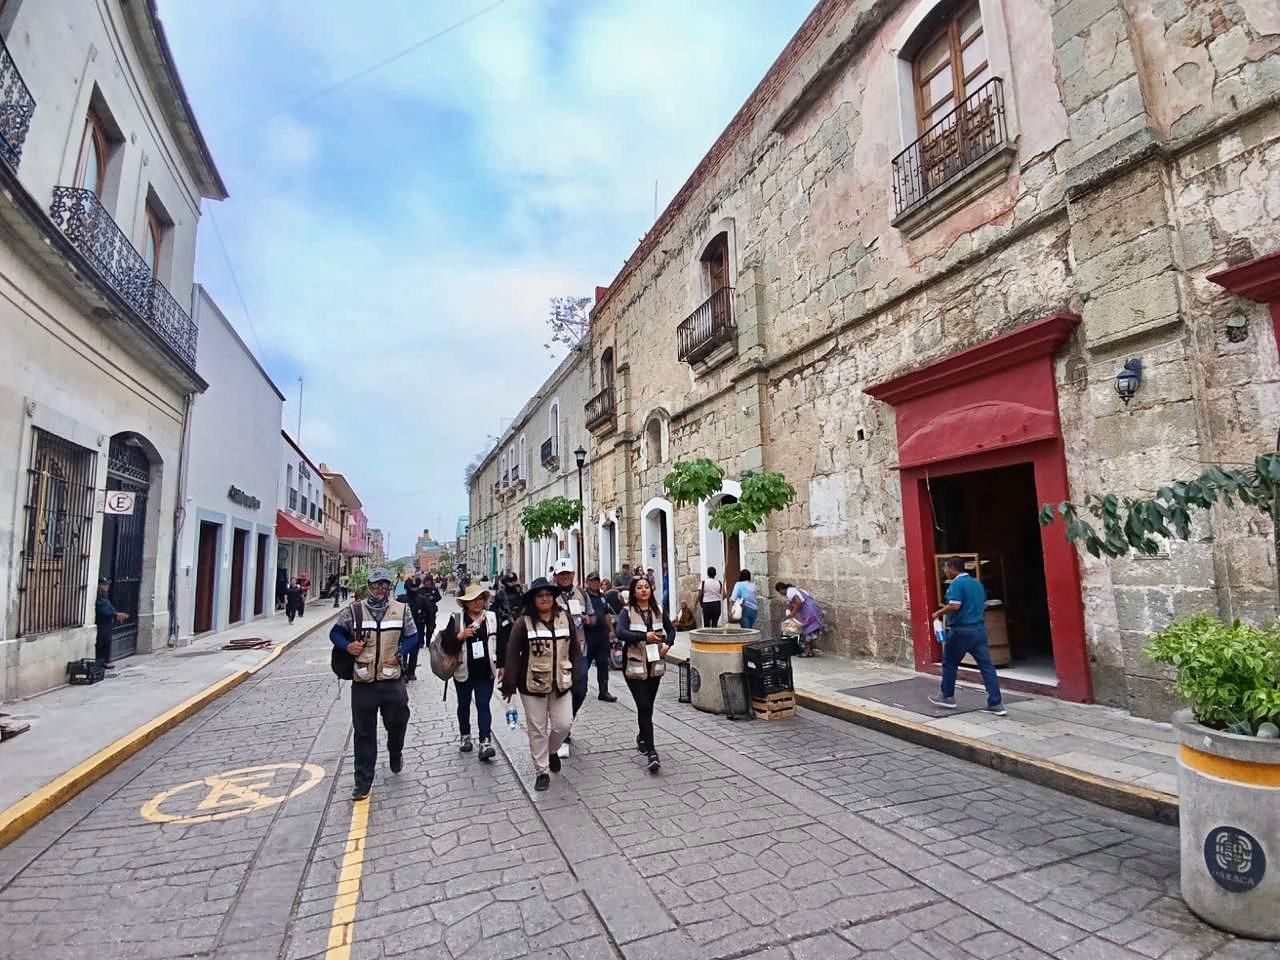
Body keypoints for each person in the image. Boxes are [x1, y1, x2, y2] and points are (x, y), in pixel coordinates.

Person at [329, 568, 418, 801]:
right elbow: (335, 633)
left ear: (390, 586)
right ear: (369, 586)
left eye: (384, 585)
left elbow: (412, 636)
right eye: (376, 584)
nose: (380, 589)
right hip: (364, 680)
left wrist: (400, 653)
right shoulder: (354, 611)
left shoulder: (401, 610)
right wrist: (347, 647)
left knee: (398, 721)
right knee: (364, 733)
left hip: (392, 679)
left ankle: (395, 750)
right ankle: (363, 780)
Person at [500, 578, 581, 791]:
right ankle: (542, 770)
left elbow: (574, 648)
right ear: (533, 600)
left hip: (561, 682)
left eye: (548, 595)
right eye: (540, 595)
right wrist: (509, 683)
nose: (545, 599)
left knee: (564, 724)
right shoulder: (523, 623)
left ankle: (552, 750)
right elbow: (512, 654)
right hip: (532, 685)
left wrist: (578, 675)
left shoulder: (565, 618)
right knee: (537, 729)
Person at [929, 557, 1006, 716]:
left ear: (951, 567)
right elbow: (983, 604)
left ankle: (947, 696)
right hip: (979, 629)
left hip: (961, 630)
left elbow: (955, 605)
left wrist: (938, 613)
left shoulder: (956, 584)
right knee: (987, 666)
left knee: (949, 662)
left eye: (945, 568)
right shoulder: (977, 584)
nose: (944, 571)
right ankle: (996, 703)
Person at [617, 576, 674, 773]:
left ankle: (642, 736)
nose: (643, 590)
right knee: (643, 705)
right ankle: (652, 752)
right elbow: (620, 632)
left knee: (648, 705)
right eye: (639, 588)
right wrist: (643, 636)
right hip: (634, 665)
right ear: (633, 592)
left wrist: (668, 644)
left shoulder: (658, 609)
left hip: (654, 664)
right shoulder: (627, 612)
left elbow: (671, 629)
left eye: (646, 587)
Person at [440, 583, 499, 760]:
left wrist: (502, 665)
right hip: (463, 670)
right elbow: (446, 645)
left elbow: (501, 642)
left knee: (483, 704)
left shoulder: (491, 617)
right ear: (466, 603)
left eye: (481, 599)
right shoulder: (457, 619)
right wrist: (460, 636)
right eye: (473, 600)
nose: (477, 603)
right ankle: (465, 736)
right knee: (464, 704)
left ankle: (485, 742)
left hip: (485, 670)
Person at [551, 557, 592, 757]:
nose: (565, 577)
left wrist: (587, 619)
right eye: (561, 575)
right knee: (561, 691)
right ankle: (562, 733)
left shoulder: (582, 594)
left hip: (580, 651)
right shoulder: (549, 596)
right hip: (558, 653)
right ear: (556, 576)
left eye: (568, 574)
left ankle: (567, 723)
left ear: (573, 575)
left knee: (581, 689)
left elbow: (592, 617)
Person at [575, 572, 617, 710]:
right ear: (588, 582)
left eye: (597, 581)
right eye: (592, 581)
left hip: (602, 635)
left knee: (603, 664)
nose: (595, 583)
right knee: (584, 665)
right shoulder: (583, 597)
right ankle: (580, 688)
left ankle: (603, 691)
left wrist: (611, 630)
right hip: (588, 636)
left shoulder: (602, 597)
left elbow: (606, 615)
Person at [775, 581, 825, 657]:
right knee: (809, 631)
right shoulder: (793, 590)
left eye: (779, 592)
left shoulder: (790, 592)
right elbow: (792, 603)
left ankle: (807, 651)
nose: (781, 594)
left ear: (781, 589)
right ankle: (810, 651)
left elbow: (798, 603)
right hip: (811, 609)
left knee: (807, 631)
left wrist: (792, 614)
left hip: (808, 611)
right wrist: (790, 610)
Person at [402, 576, 438, 681]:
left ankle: (410, 672)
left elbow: (429, 614)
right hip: (402, 630)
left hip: (418, 628)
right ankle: (404, 671)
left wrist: (430, 625)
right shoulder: (401, 599)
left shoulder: (422, 600)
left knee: (414, 651)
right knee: (403, 651)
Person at [94, 578, 126, 669]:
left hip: (107, 623)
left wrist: (115, 614)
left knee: (107, 642)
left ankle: (105, 660)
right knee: (101, 643)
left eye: (107, 584)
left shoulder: (104, 596)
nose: (106, 586)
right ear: (99, 585)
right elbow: (102, 609)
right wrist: (115, 614)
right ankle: (100, 661)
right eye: (104, 584)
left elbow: (109, 607)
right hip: (102, 622)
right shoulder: (98, 597)